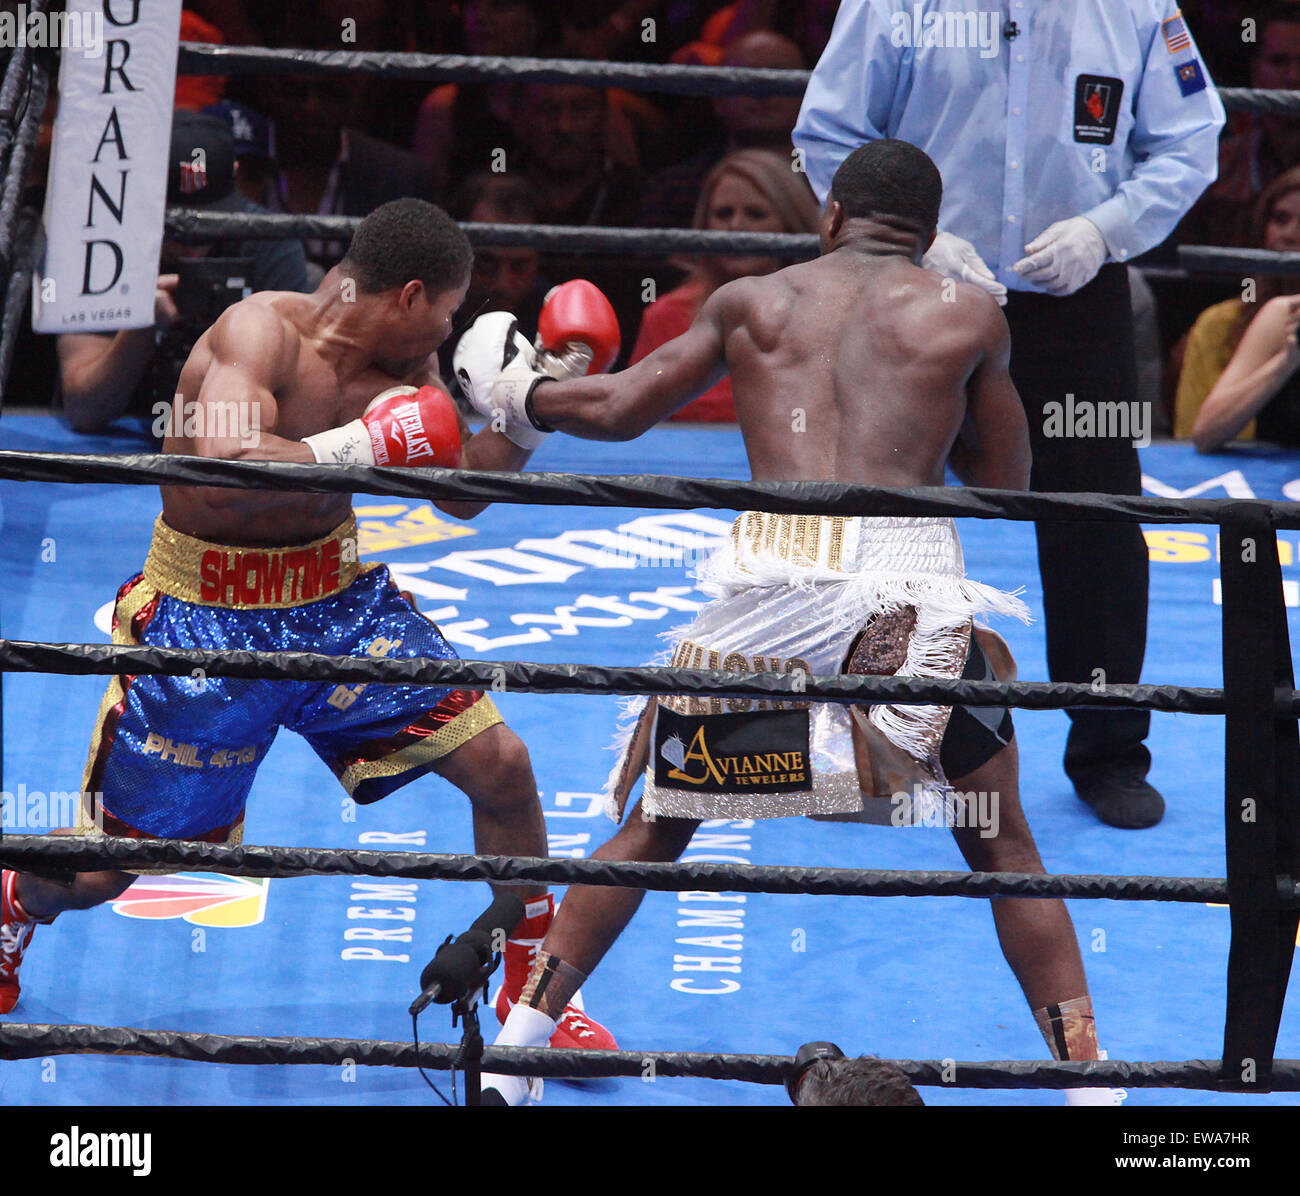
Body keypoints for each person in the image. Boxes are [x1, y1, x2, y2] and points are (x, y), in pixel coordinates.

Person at [454, 140, 1119, 1106]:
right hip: (907, 593)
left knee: (658, 825)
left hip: (769, 589)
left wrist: (520, 391)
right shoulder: (966, 313)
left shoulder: (752, 301)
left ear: (831, 218)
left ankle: (514, 1066)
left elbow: (621, 408)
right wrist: (969, 360)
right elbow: (1007, 487)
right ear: (931, 237)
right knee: (1003, 844)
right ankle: (1095, 1092)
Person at [0, 200, 615, 1059]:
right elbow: (219, 471)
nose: (448, 330)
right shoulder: (259, 333)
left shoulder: (413, 366)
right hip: (205, 618)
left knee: (503, 768)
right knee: (110, 867)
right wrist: (360, 443)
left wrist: (527, 407)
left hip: (336, 605)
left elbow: (462, 489)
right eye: (443, 310)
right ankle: (14, 904)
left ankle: (534, 995)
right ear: (407, 295)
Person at [794, 0, 1227, 829]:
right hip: (915, 295)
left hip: (1078, 303)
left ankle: (1109, 750)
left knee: (1096, 516)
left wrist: (1106, 229)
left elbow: (1188, 139)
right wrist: (914, 241)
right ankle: (855, 737)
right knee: (875, 505)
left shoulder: (1135, 8)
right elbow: (830, 134)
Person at [57, 110, 309, 436]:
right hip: (119, 441)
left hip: (239, 431)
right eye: (173, 230)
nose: (191, 247)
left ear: (235, 176)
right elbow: (84, 410)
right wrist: (140, 327)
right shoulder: (102, 243)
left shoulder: (270, 240)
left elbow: (300, 402)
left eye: (208, 227)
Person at [630, 148, 820, 421]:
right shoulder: (666, 316)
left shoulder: (825, 314)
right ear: (705, 225)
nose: (736, 227)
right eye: (723, 213)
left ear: (790, 225)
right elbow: (637, 419)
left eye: (755, 214)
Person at [1177, 165, 1300, 450]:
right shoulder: (1227, 322)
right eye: (1281, 219)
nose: (1292, 235)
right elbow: (1198, 436)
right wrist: (1287, 359)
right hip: (1255, 477)